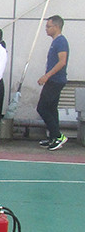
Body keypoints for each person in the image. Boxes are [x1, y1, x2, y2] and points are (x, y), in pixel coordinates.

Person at [36, 15, 69, 151]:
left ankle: (58, 135)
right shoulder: (56, 42)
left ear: (56, 27)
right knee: (51, 109)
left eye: (48, 26)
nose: (46, 29)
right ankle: (53, 137)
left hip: (55, 80)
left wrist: (47, 76)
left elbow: (62, 62)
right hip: (54, 80)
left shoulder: (61, 41)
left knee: (42, 108)